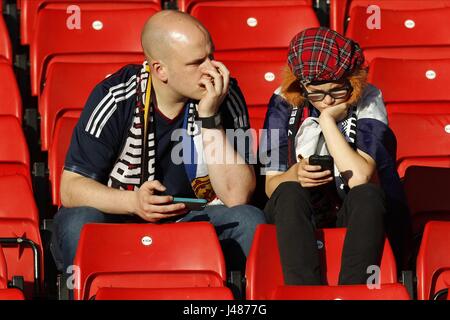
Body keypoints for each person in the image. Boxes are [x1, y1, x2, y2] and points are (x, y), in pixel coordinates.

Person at [51, 10, 265, 282]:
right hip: (121, 217)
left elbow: (237, 198)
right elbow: (71, 188)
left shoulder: (225, 94)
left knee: (249, 220)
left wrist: (210, 118)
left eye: (211, 56)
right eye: (197, 62)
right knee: (77, 222)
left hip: (192, 220)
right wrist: (134, 202)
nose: (211, 70)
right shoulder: (116, 96)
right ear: (160, 69)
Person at [260, 27, 411, 285]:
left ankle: (353, 291)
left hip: (352, 209)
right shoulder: (282, 101)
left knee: (368, 195)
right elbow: (270, 186)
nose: (327, 100)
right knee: (287, 191)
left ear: (351, 81)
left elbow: (360, 177)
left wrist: (327, 122)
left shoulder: (368, 98)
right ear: (301, 86)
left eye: (337, 91)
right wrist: (296, 174)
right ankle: (303, 292)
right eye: (316, 94)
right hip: (300, 211)